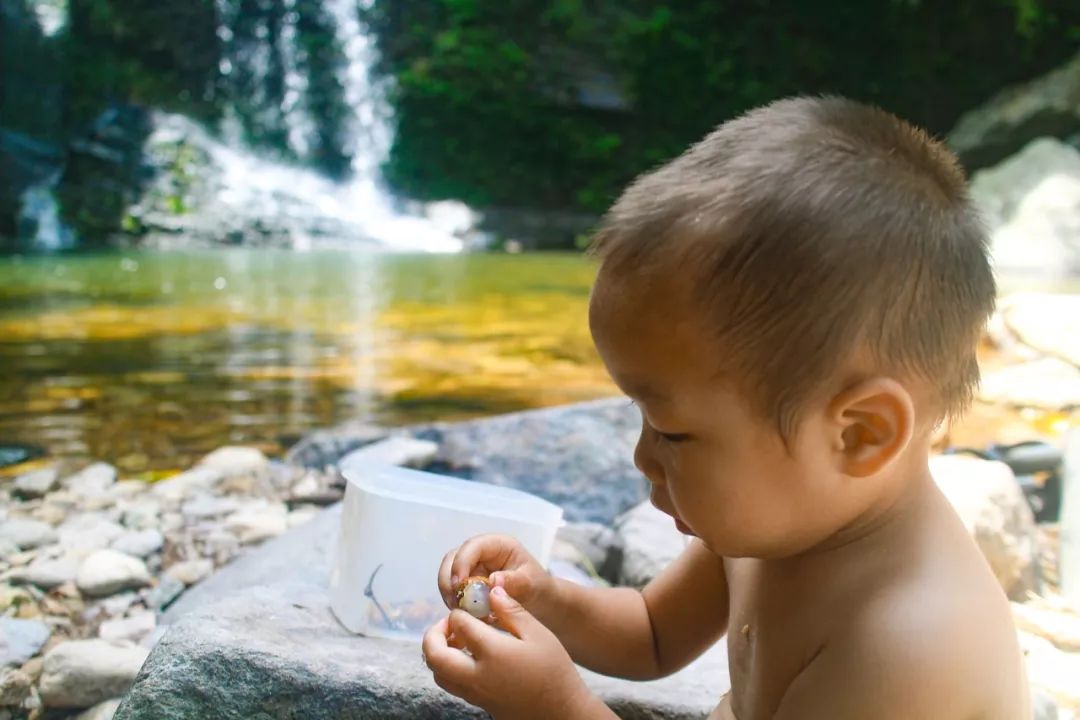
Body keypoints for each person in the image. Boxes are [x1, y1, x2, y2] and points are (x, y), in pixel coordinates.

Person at [421, 96, 1029, 720]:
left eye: (671, 432)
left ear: (859, 433)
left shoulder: (905, 647)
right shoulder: (778, 517)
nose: (641, 457)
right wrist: (544, 601)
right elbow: (653, 632)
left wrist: (555, 708)